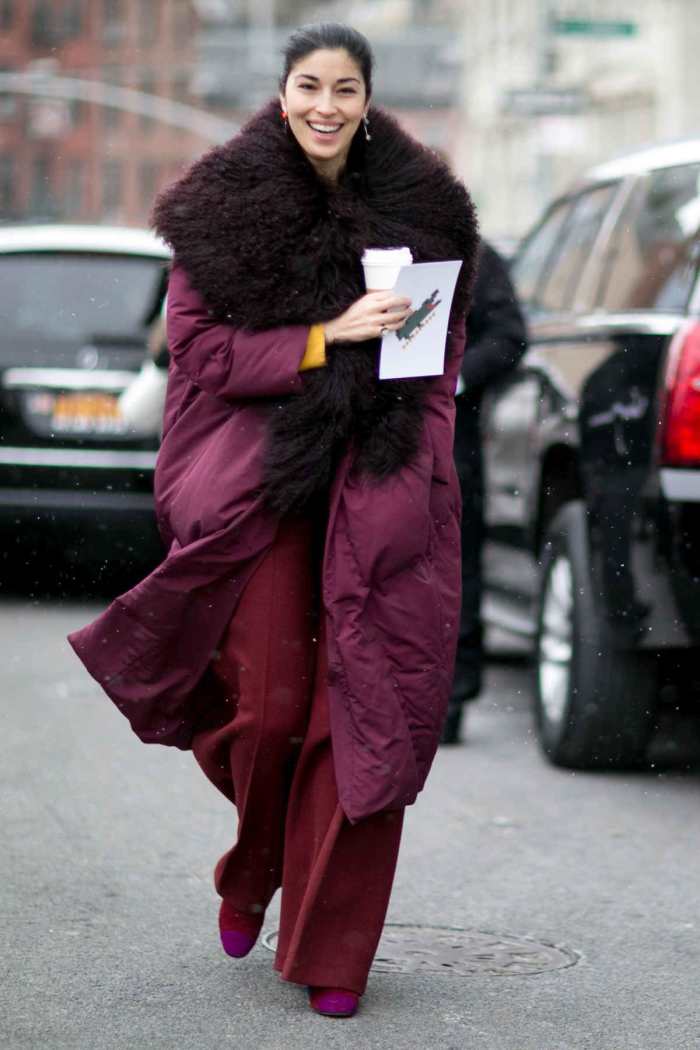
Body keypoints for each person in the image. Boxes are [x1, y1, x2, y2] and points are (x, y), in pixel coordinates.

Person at [69, 22, 478, 1018]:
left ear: (368, 100)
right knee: (269, 711)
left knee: (365, 717)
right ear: (283, 92)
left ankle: (335, 950)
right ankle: (255, 863)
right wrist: (325, 337)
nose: (326, 106)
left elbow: (436, 368)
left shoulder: (424, 214)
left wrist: (421, 475)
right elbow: (202, 354)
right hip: (262, 487)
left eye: (345, 89)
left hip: (379, 485)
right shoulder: (221, 208)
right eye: (309, 86)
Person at [442, 241, 528, 744]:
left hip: (450, 441)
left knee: (452, 568)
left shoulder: (469, 251)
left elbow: (508, 336)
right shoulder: (353, 236)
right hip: (361, 437)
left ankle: (447, 700)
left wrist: (454, 378)